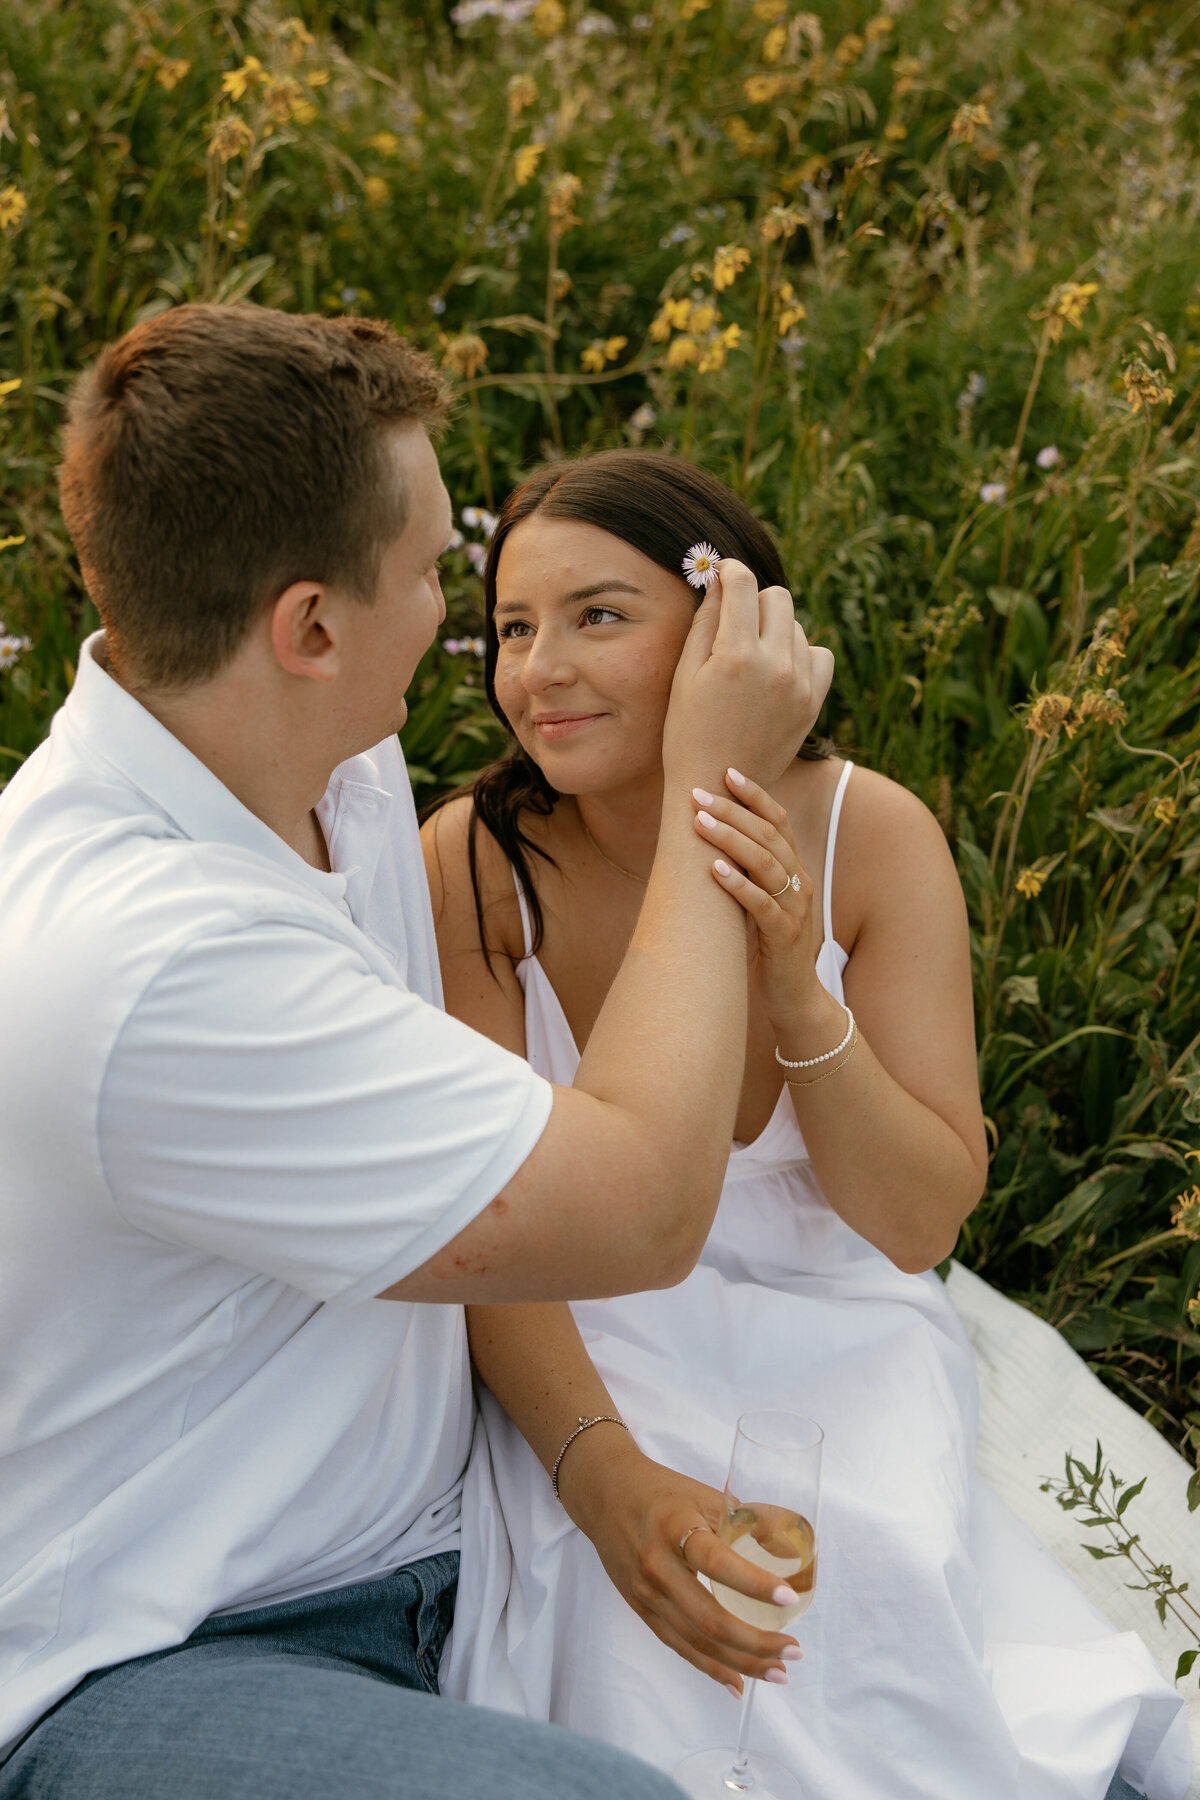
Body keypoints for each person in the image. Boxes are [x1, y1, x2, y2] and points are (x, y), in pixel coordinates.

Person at [0, 307, 835, 1799]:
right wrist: (715, 776)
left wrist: (592, 1469)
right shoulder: (152, 962)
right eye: (437, 568)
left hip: (453, 1517)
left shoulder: (325, 758)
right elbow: (640, 1204)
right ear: (311, 630)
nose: (459, 606)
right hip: (181, 1639)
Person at [427, 450, 1191, 1800]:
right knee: (616, 1621)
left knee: (869, 1569)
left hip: (840, 1322)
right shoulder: (478, 864)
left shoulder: (868, 836)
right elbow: (488, 1236)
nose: (539, 669)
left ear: (735, 631)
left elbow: (914, 1224)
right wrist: (602, 1483)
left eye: (598, 616)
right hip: (593, 1329)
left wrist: (791, 981)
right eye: (513, 628)